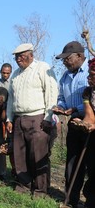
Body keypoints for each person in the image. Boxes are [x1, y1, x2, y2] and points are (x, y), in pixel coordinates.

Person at [6, 43, 58, 197]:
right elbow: (11, 99)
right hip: (19, 119)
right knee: (19, 154)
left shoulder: (42, 68)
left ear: (31, 55)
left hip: (38, 117)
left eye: (21, 56)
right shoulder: (15, 74)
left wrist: (48, 117)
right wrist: (9, 118)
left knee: (38, 155)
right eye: (16, 57)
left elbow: (51, 92)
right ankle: (24, 184)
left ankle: (40, 189)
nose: (18, 60)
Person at [53, 41, 89, 207]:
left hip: (90, 125)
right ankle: (70, 199)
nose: (64, 62)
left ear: (80, 56)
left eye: (67, 58)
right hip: (74, 124)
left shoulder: (90, 71)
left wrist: (77, 108)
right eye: (63, 59)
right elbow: (61, 97)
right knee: (73, 163)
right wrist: (61, 107)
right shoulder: (65, 77)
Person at [70, 58, 95, 208]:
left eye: (93, 75)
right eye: (89, 75)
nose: (89, 78)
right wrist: (84, 123)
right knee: (92, 168)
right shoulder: (88, 93)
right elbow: (89, 116)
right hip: (93, 136)